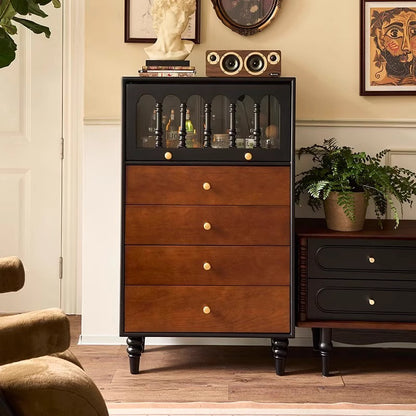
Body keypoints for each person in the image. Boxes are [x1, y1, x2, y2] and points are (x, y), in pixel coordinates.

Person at [370, 7, 416, 85]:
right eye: (394, 33)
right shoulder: (376, 86)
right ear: (380, 40)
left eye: (414, 32)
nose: (406, 47)